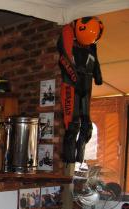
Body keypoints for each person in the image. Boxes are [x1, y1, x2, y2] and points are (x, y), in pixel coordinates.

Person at [58, 17, 103, 163]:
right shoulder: (68, 35)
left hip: (86, 85)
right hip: (72, 86)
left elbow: (95, 64)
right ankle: (69, 162)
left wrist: (97, 76)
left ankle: (78, 161)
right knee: (72, 126)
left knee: (86, 127)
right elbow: (63, 59)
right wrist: (74, 76)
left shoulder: (92, 47)